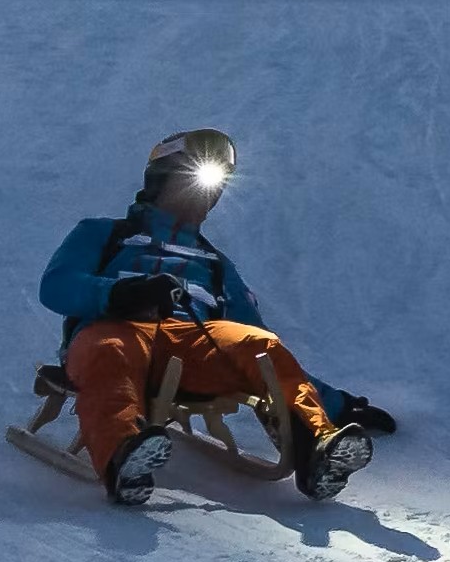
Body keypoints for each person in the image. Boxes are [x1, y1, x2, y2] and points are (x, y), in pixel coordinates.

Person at [36, 128, 388, 506]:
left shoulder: (217, 266)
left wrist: (337, 402)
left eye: (213, 188)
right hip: (114, 330)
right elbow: (57, 286)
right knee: (111, 350)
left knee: (258, 345)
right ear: (160, 180)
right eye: (194, 182)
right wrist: (121, 293)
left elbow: (259, 343)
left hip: (192, 345)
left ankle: (317, 445)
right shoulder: (103, 234)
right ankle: (124, 456)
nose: (206, 195)